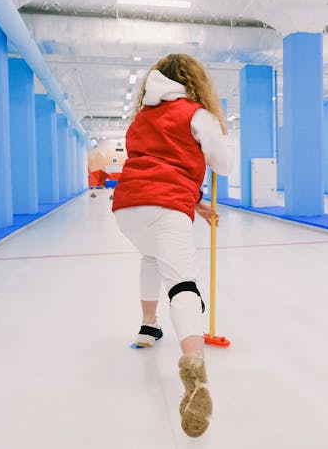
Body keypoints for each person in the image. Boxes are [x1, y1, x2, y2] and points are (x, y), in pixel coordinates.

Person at [112, 53, 232, 438]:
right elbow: (223, 165)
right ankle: (194, 364)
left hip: (127, 207)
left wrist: (195, 203)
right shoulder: (196, 114)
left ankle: (149, 328)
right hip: (165, 206)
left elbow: (153, 166)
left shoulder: (140, 119)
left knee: (151, 255)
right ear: (193, 80)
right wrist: (219, 137)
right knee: (182, 281)